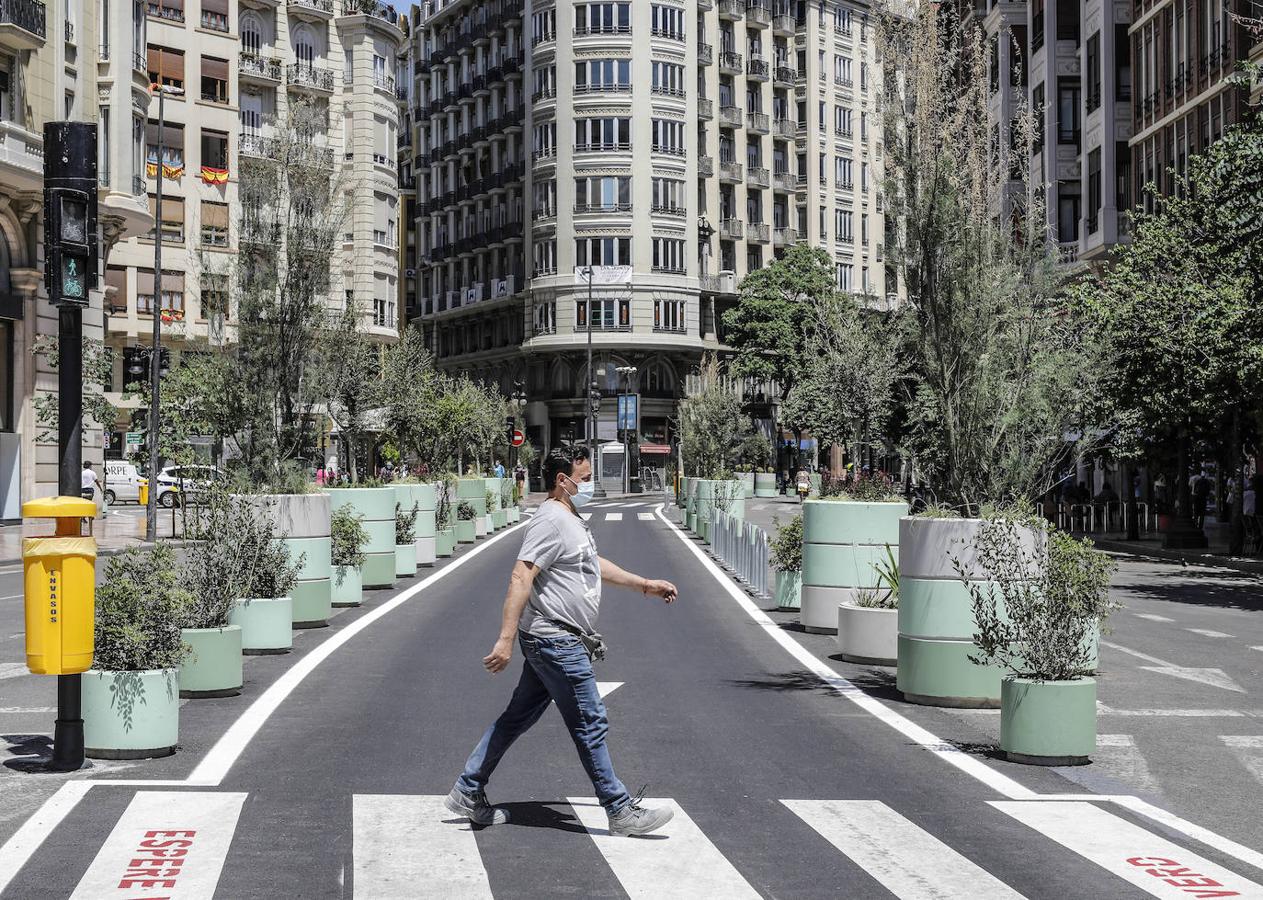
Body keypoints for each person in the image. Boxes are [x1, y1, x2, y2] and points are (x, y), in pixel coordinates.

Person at [445, 447, 679, 836]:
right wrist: (504, 639)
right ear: (562, 480)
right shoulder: (550, 520)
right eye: (584, 479)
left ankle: (468, 788)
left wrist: (644, 585)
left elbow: (592, 564)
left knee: (517, 717)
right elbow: (521, 576)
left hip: (553, 639)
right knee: (590, 721)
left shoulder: (571, 518)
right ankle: (619, 809)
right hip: (556, 641)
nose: (590, 485)